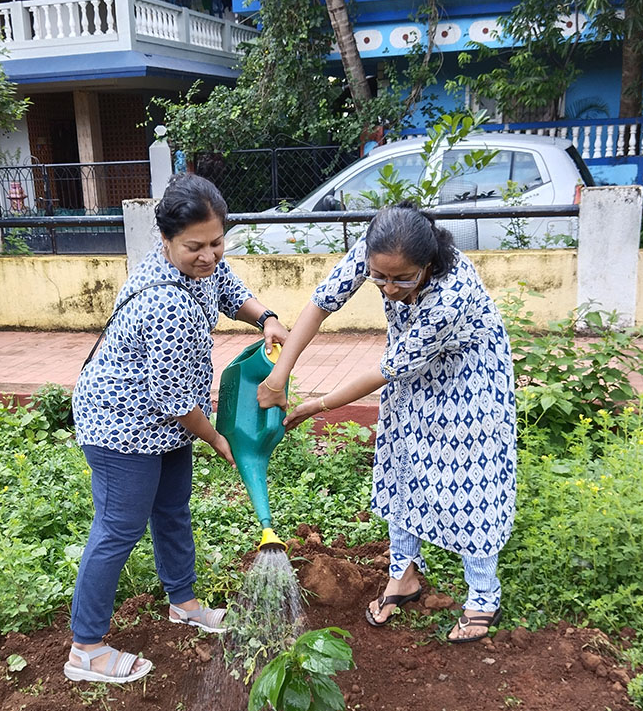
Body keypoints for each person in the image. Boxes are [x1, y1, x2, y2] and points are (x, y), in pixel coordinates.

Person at [258, 203, 517, 644]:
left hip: (469, 381)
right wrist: (279, 375)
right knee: (403, 466)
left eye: (403, 279)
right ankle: (404, 576)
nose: (389, 288)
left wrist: (316, 405)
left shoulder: (450, 294)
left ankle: (483, 595)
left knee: (470, 482)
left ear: (428, 264)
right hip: (412, 375)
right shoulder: (378, 247)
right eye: (380, 277)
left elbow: (387, 369)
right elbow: (322, 304)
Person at [67, 174, 289, 683]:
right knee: (118, 528)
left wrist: (267, 318)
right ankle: (86, 648)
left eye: (216, 242)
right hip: (120, 425)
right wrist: (217, 438)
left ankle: (183, 602)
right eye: (194, 247)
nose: (208, 255)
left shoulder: (201, 267)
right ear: (164, 240)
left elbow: (228, 286)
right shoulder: (164, 303)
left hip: (163, 423)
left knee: (171, 510)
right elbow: (176, 401)